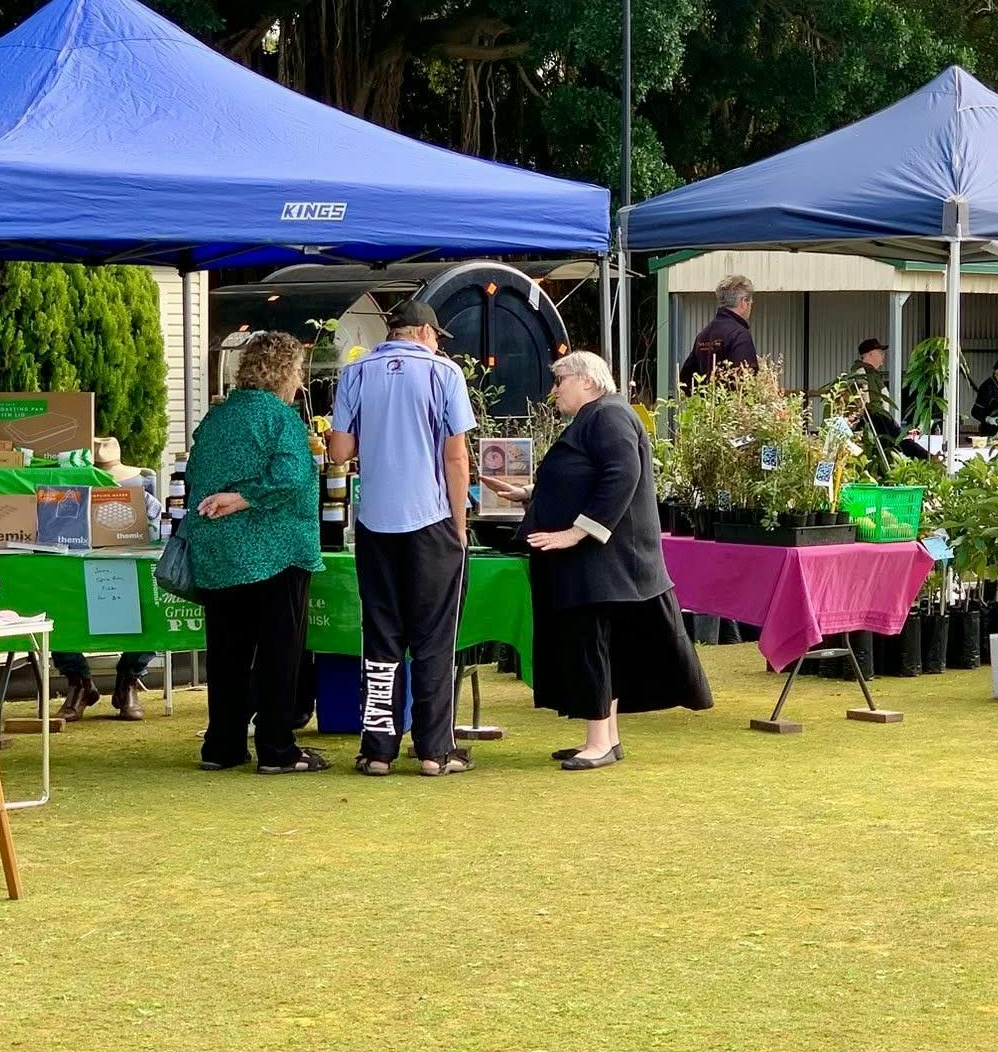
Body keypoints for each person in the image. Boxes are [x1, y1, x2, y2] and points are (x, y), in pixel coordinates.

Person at [483, 350, 711, 768]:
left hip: (603, 561)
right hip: (601, 563)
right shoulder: (601, 416)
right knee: (599, 647)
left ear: (587, 380)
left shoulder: (607, 416)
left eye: (559, 381)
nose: (553, 391)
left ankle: (599, 744)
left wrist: (576, 532)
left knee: (593, 647)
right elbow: (583, 478)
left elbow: (621, 476)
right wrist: (531, 494)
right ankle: (606, 737)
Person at [328, 298, 477, 778]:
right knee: (435, 638)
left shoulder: (355, 372)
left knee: (382, 636)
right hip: (430, 517)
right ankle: (435, 749)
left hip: (375, 520)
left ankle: (377, 750)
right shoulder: (444, 373)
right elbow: (457, 458)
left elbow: (340, 450)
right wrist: (460, 523)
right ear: (426, 333)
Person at [184, 331, 328, 773]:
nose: (301, 381)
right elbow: (291, 477)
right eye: (299, 371)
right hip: (276, 550)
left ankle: (221, 746)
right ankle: (277, 749)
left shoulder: (217, 417)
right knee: (279, 654)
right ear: (285, 372)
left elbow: (193, 474)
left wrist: (228, 498)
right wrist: (244, 498)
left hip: (218, 551)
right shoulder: (280, 419)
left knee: (226, 653)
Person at [55, 435, 162, 722]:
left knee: (151, 611)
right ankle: (79, 682)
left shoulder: (144, 498)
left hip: (128, 567)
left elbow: (158, 532)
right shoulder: (64, 499)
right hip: (74, 569)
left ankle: (128, 680)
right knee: (55, 604)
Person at [838, 338, 928, 461]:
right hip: (875, 419)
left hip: (881, 417)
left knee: (898, 442)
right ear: (870, 354)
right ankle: (927, 458)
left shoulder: (872, 373)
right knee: (899, 441)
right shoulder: (861, 372)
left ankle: (926, 457)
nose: (883, 356)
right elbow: (862, 400)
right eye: (880, 352)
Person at [677, 274, 759, 390]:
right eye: (750, 302)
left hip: (706, 406)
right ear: (743, 302)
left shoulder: (704, 335)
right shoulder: (740, 335)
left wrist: (702, 400)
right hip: (732, 407)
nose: (750, 306)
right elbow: (745, 382)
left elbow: (686, 378)